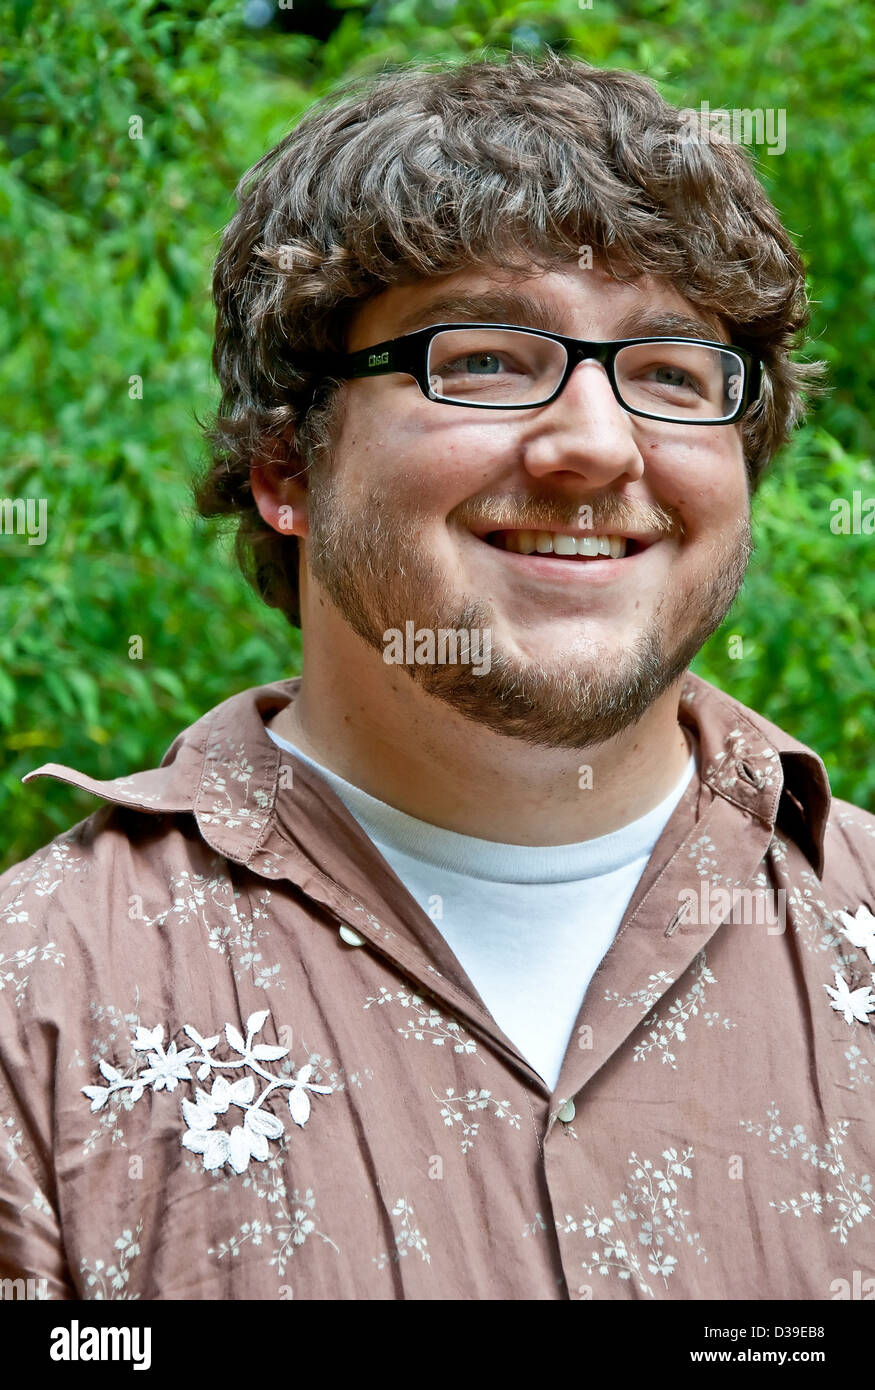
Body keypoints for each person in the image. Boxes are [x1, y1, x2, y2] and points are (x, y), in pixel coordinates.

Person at [1, 51, 873, 1303]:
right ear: (283, 467)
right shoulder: (33, 1010)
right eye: (481, 360)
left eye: (670, 372)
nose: (591, 443)